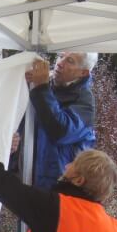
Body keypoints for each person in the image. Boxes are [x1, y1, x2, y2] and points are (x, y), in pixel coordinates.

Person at [24, 52, 98, 189]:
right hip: (24, 179)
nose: (59, 63)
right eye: (60, 56)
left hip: (56, 188)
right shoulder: (42, 86)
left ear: (83, 72)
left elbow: (59, 131)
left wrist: (41, 88)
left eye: (70, 60)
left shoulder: (84, 101)